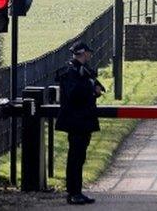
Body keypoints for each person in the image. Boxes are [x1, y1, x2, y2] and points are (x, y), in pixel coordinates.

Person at [55, 41, 105, 205]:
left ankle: (77, 191)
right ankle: (74, 192)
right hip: (76, 121)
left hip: (82, 120)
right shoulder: (72, 71)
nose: (89, 56)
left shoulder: (81, 71)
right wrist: (91, 88)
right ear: (83, 53)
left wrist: (94, 89)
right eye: (87, 53)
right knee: (75, 157)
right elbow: (75, 94)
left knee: (79, 156)